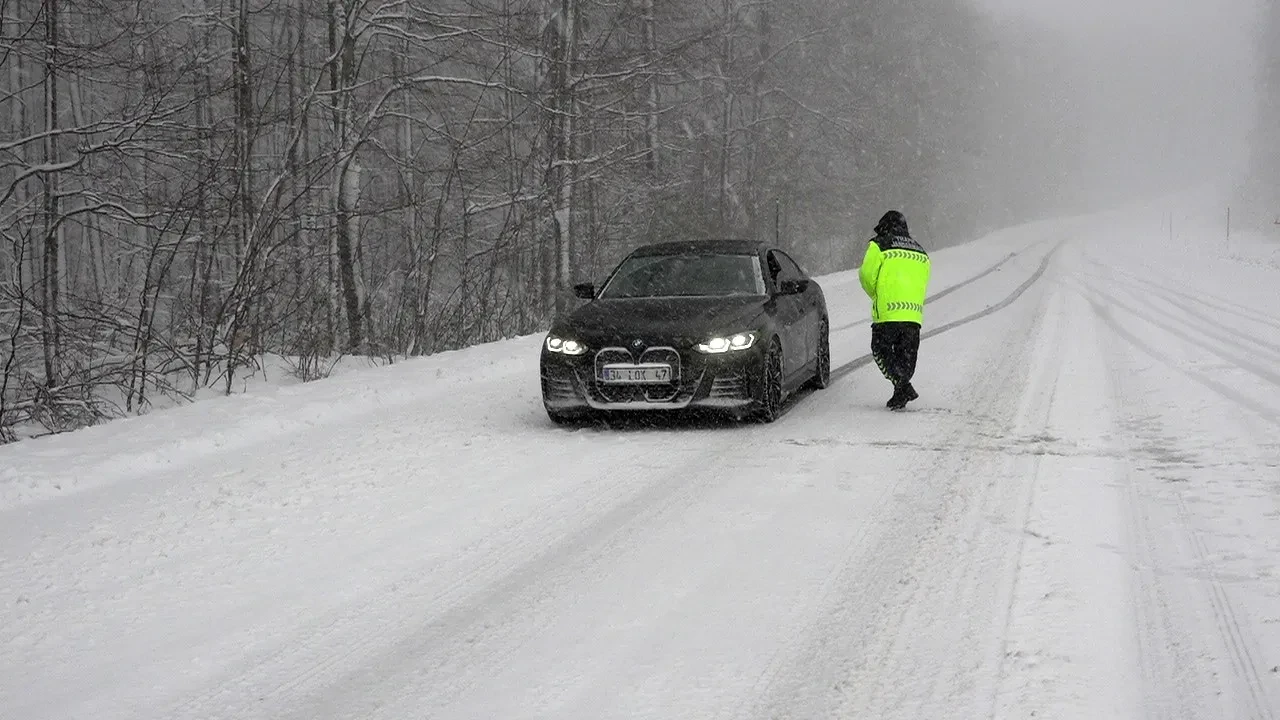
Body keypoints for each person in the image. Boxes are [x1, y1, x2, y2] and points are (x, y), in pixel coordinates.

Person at [858, 210, 931, 410]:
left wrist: (877, 294)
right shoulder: (921, 251)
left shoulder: (879, 245)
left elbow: (866, 276)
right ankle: (900, 393)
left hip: (888, 313)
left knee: (880, 350)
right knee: (905, 358)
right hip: (913, 314)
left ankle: (903, 387)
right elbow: (923, 280)